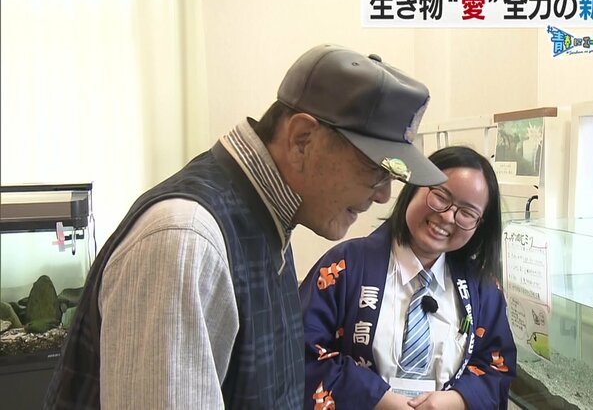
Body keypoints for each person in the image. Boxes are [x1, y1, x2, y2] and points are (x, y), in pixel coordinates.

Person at [44, 44, 447, 409]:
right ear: (302, 139)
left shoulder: (270, 217)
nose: (382, 196)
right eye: (375, 171)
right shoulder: (187, 240)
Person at [299, 146, 517, 410]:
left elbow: (496, 369)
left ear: (479, 225)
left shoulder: (485, 289)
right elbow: (301, 354)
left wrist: (458, 400)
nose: (448, 216)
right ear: (414, 187)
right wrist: (376, 399)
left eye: (467, 213)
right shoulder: (343, 266)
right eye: (440, 197)